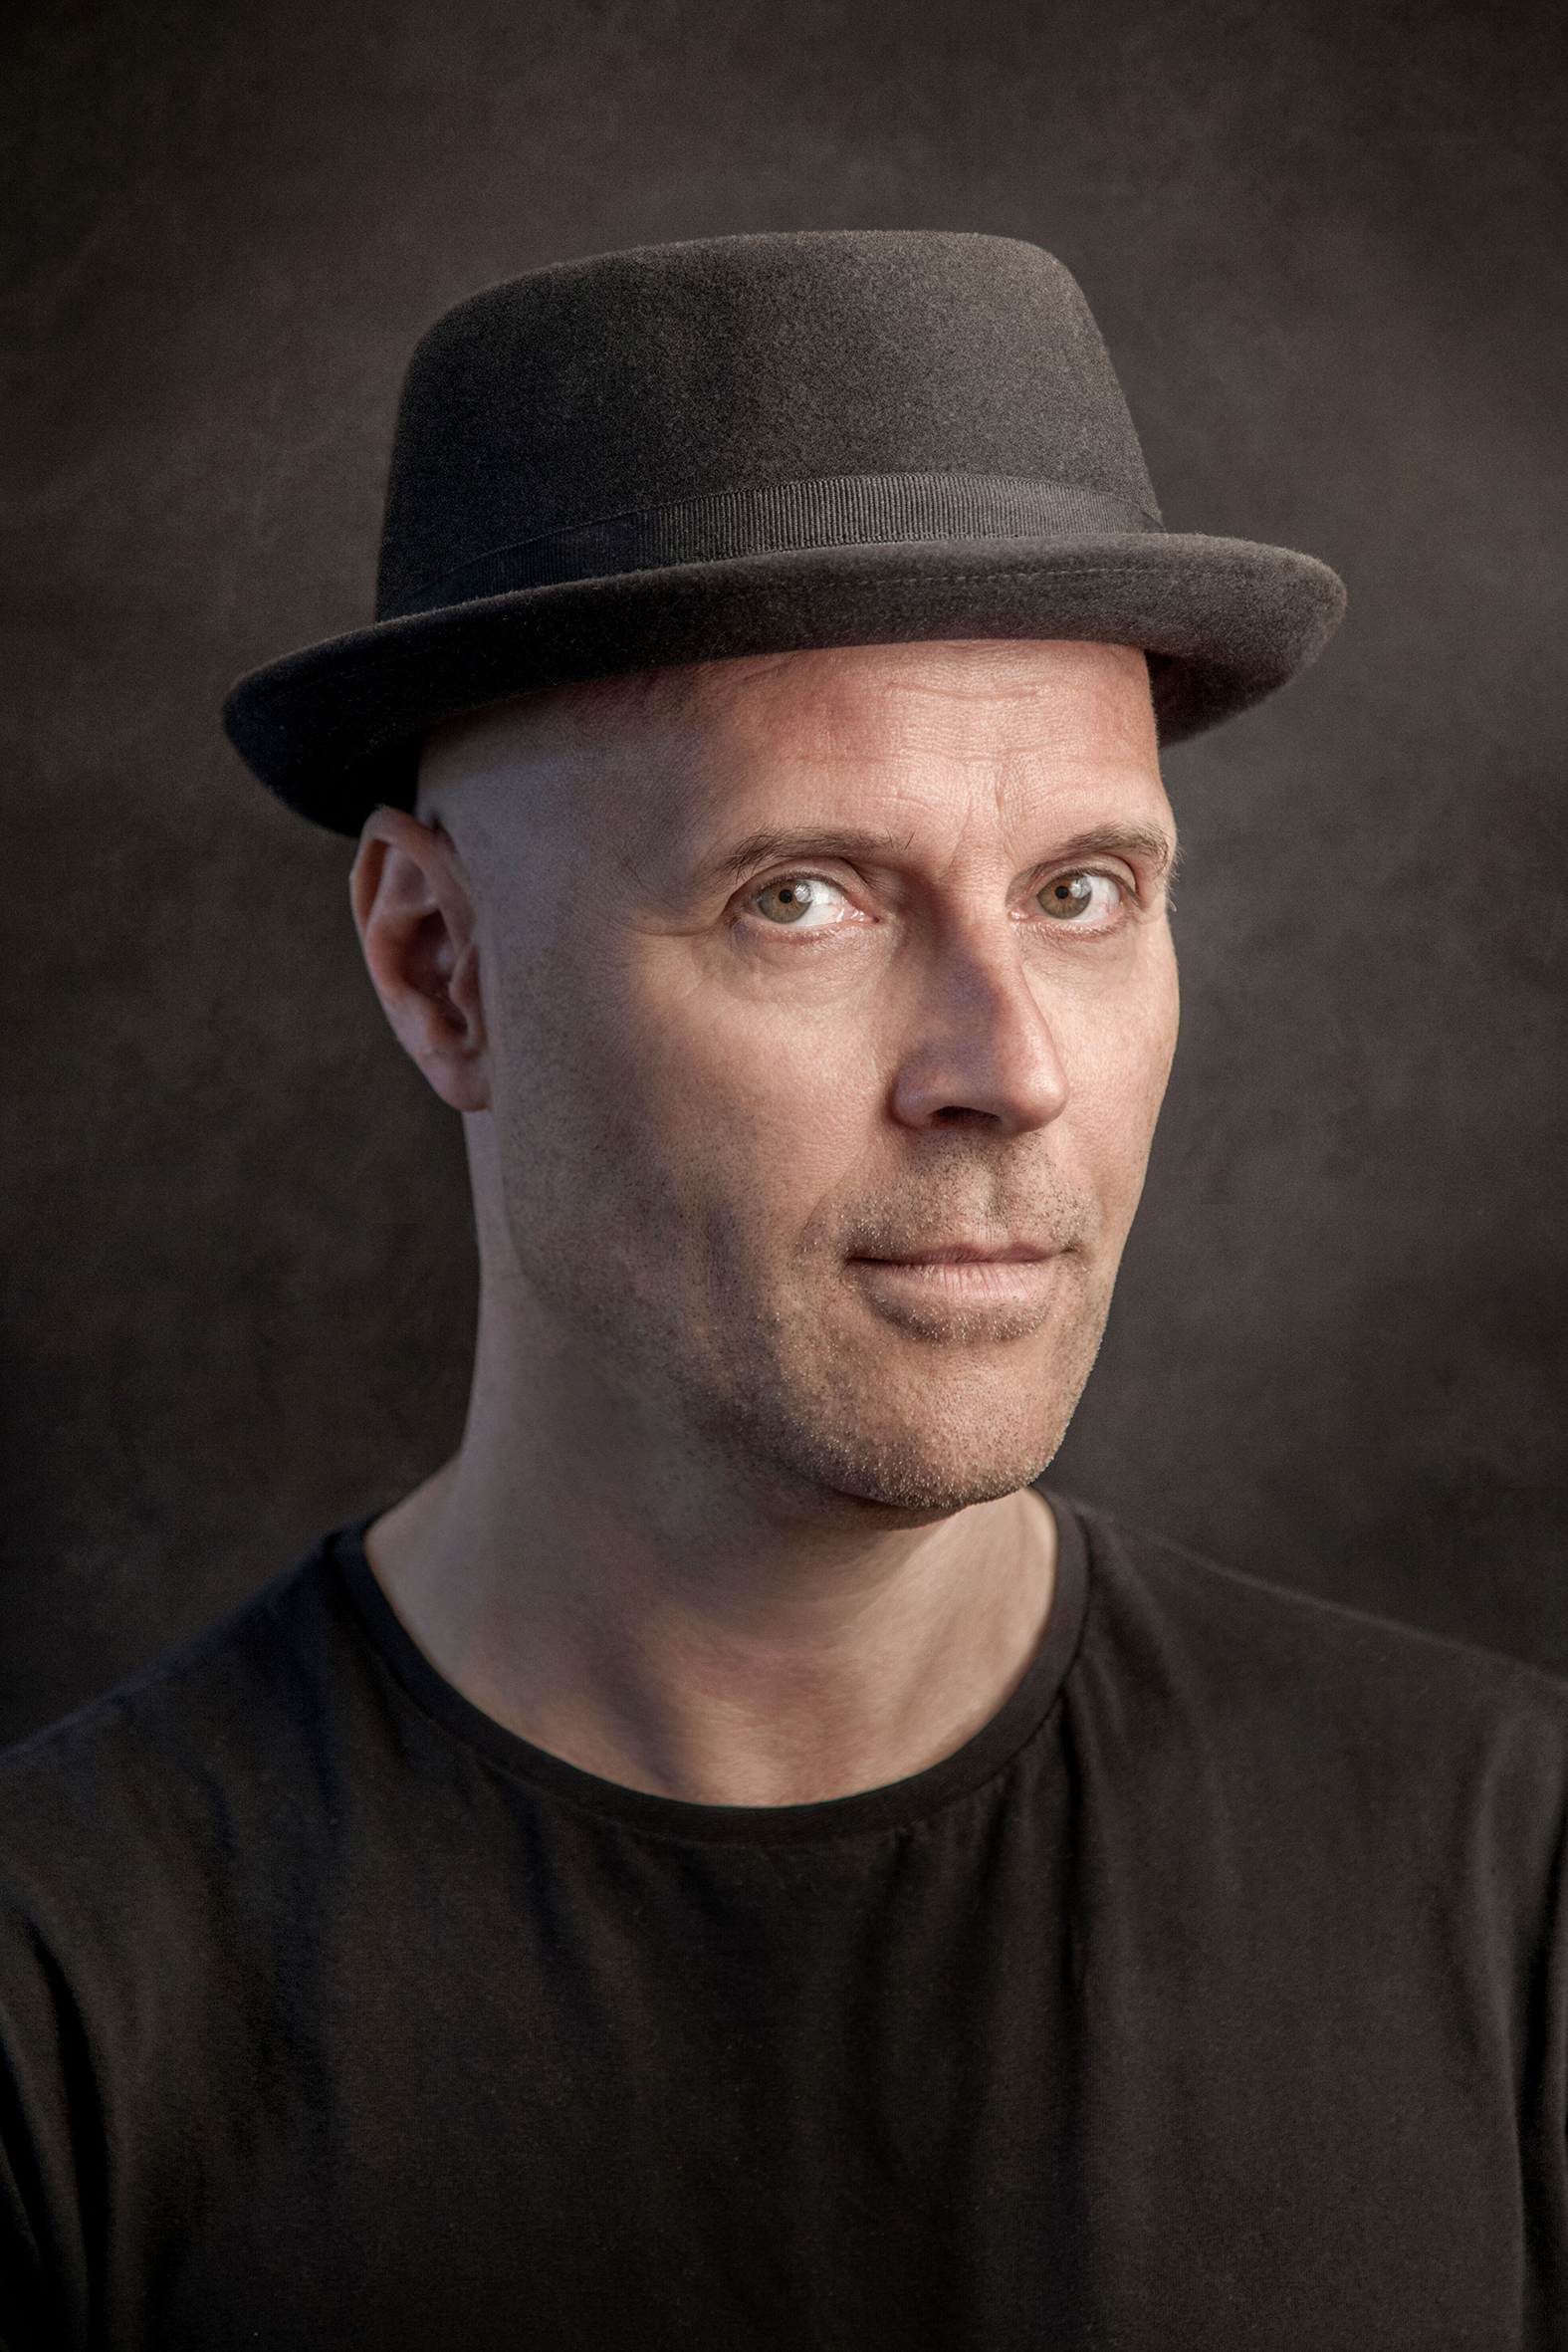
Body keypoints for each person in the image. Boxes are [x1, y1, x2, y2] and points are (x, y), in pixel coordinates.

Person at [1, 231, 1563, 2351]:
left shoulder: (1512, 1886)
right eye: (801, 896)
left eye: (1081, 889)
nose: (1009, 1066)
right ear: (440, 967)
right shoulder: (63, 2006)